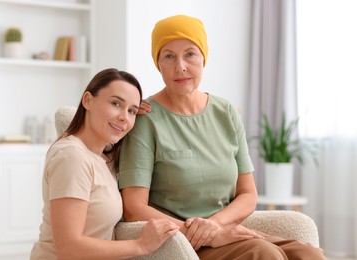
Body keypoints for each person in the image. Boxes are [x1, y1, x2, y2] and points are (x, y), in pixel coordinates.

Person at [118, 15, 326, 259]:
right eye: (169, 56)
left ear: (204, 57)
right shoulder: (146, 119)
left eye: (190, 54)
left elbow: (248, 193)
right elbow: (133, 208)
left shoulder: (225, 112)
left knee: (309, 255)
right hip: (182, 243)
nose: (180, 66)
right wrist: (201, 233)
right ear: (158, 64)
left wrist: (215, 225)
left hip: (225, 231)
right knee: (264, 254)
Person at [30, 68, 179, 259]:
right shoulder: (72, 157)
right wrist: (141, 245)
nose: (125, 116)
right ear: (88, 100)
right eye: (115, 103)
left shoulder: (100, 158)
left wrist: (127, 110)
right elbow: (68, 248)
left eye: (132, 110)